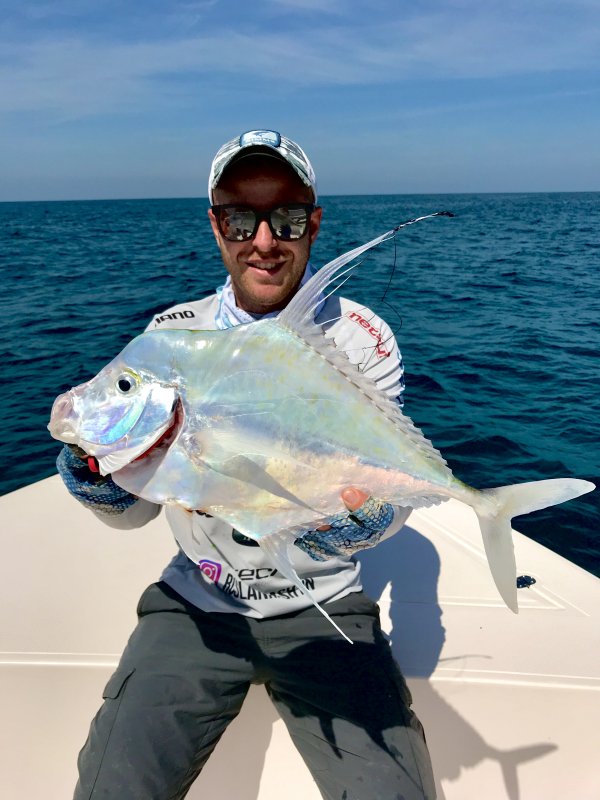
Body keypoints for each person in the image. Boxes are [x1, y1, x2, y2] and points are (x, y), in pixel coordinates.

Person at [57, 129, 436, 800]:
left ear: (314, 223)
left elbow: (389, 490)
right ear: (216, 225)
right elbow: (137, 511)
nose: (263, 241)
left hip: (326, 603)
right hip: (198, 603)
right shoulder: (172, 338)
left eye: (286, 217)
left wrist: (361, 526)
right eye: (240, 218)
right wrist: (100, 481)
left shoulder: (361, 339)